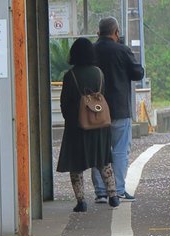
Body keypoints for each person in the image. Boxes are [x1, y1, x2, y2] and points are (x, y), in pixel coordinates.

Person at [56, 37, 119, 211]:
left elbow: (65, 102)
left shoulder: (70, 75)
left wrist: (71, 119)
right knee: (103, 161)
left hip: (77, 127)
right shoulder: (99, 73)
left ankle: (81, 201)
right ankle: (113, 196)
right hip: (99, 125)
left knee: (76, 166)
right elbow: (102, 95)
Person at [91, 16, 145, 203]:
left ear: (98, 32)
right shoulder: (122, 50)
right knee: (120, 150)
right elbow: (138, 73)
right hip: (119, 109)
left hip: (95, 110)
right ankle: (119, 189)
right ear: (116, 32)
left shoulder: (91, 50)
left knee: (98, 150)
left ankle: (101, 192)